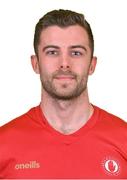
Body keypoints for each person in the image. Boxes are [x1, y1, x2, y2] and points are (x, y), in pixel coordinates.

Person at [0, 9, 127, 179]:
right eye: (52, 52)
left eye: (76, 53)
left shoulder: (123, 138)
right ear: (36, 63)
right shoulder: (4, 144)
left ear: (92, 65)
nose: (64, 64)